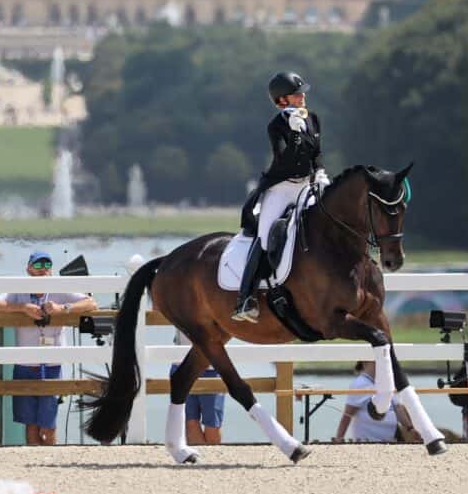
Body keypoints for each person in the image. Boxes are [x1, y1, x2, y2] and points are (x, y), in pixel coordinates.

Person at [232, 71, 327, 322]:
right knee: (264, 238)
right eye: (297, 93)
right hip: (281, 188)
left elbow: (316, 152)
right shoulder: (276, 126)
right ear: (283, 100)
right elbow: (284, 160)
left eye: (302, 92)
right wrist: (294, 135)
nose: (303, 95)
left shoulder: (313, 119)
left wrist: (320, 173)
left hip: (306, 186)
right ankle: (245, 299)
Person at [0, 250, 97, 445]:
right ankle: (34, 461)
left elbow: (91, 303)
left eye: (47, 265)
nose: (42, 270)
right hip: (24, 366)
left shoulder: (59, 289)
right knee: (30, 424)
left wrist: (63, 309)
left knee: (48, 425)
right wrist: (23, 308)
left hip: (52, 366)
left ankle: (50, 460)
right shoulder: (19, 289)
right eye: (37, 265)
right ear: (28, 269)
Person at [333, 361, 416, 442]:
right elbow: (347, 415)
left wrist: (410, 428)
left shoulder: (387, 382)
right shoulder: (359, 384)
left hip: (392, 438)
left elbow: (398, 407)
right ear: (365, 363)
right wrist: (339, 438)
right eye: (376, 361)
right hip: (369, 440)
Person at [172, 330, 225, 445]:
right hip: (182, 364)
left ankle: (213, 459)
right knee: (190, 420)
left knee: (212, 424)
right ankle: (200, 460)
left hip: (211, 367)